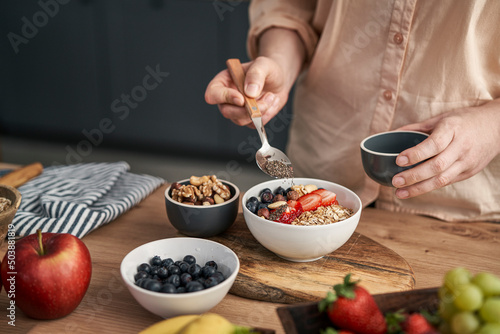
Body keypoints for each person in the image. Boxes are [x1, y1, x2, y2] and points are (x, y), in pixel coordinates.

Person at [205, 0, 500, 222]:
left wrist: (492, 125)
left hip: (462, 209)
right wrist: (279, 64)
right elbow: (292, 6)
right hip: (325, 165)